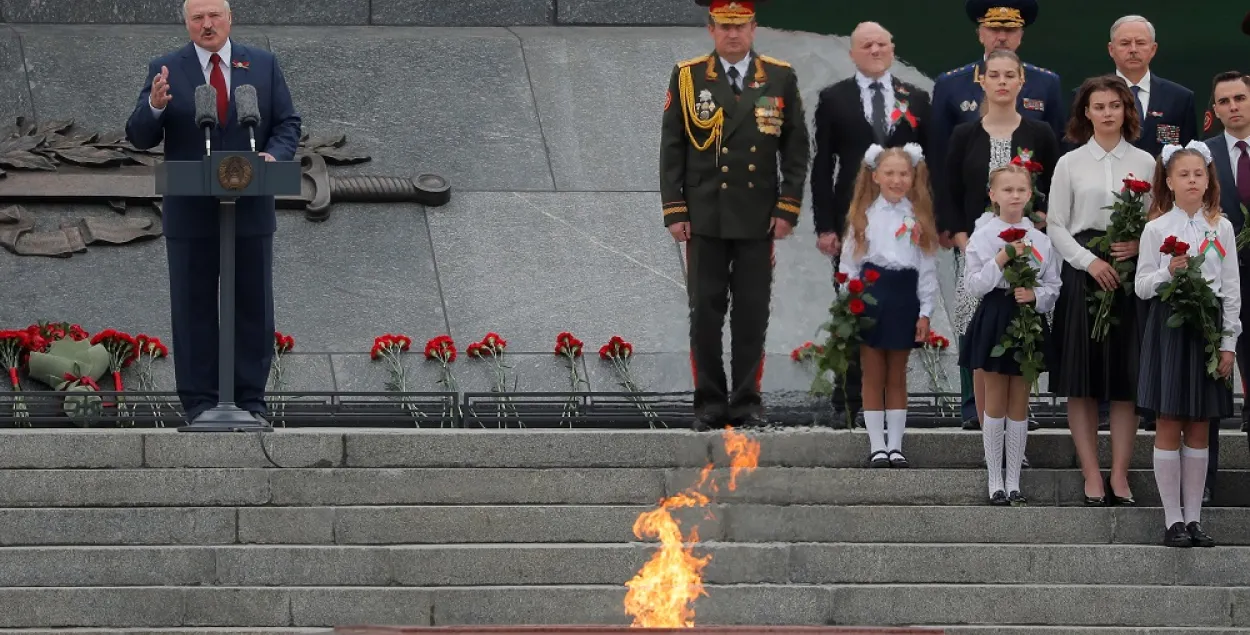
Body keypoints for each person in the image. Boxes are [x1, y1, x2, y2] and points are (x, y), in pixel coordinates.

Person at [124, 0, 301, 425]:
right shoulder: (165, 69)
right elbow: (139, 136)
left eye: (214, 16)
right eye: (198, 18)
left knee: (252, 307)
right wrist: (155, 105)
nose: (207, 25)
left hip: (251, 207)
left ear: (229, 18)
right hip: (191, 211)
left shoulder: (262, 64)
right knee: (193, 308)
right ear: (187, 24)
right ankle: (200, 404)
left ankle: (251, 404)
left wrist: (274, 158)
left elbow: (287, 124)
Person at [661, 0, 809, 429]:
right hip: (705, 216)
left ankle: (746, 400)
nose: (732, 34)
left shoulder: (779, 76)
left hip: (757, 217)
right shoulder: (689, 77)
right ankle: (708, 401)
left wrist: (787, 208)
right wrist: (675, 209)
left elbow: (796, 150)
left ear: (753, 27)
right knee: (704, 313)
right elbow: (672, 148)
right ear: (710, 29)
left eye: (740, 26)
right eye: (724, 26)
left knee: (751, 312)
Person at [929, 0, 1065, 430]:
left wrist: (1041, 219)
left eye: (1011, 75)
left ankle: (1021, 408)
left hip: (1027, 240)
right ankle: (975, 408)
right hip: (974, 241)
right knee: (973, 318)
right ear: (981, 81)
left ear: (1021, 80)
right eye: (995, 75)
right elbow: (945, 181)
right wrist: (954, 233)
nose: (1002, 82)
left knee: (1026, 313)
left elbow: (1056, 173)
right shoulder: (964, 131)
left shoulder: (1038, 129)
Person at [811, 21, 931, 426]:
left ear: (892, 49)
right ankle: (848, 402)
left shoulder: (916, 98)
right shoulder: (833, 98)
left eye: (882, 43)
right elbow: (822, 165)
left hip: (906, 226)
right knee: (853, 309)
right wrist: (825, 226)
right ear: (853, 53)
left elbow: (930, 166)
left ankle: (889, 407)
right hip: (854, 226)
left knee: (899, 314)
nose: (875, 50)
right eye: (867, 45)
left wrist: (932, 221)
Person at [1047, 76, 1157, 506]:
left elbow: (1157, 219)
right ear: (1085, 113)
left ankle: (1121, 475)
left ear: (1127, 111)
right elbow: (1056, 224)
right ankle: (1092, 475)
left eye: (1115, 105)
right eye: (1099, 106)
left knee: (1125, 381)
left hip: (1129, 275)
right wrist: (1087, 261)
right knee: (1084, 381)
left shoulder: (1147, 162)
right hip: (1085, 270)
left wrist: (1140, 243)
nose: (1107, 113)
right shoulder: (1070, 163)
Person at [1135, 140, 1238, 548]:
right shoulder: (1156, 228)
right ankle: (1172, 519)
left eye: (1199, 173)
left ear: (1209, 178)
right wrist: (1167, 271)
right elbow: (1142, 286)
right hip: (1171, 326)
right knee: (1170, 420)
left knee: (1200, 425)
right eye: (1184, 174)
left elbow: (1231, 290)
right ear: (1170, 182)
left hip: (1208, 327)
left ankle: (1195, 518)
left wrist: (1228, 342)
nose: (1192, 180)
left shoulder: (1222, 226)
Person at [959, 162, 1061, 505]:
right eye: (1007, 189)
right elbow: (975, 285)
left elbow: (1053, 285)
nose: (1014, 195)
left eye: (1020, 190)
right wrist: (1002, 258)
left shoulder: (1042, 240)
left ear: (1030, 194)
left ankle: (1014, 480)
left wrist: (1035, 296)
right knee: (994, 400)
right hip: (995, 315)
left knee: (1020, 400)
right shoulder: (984, 237)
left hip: (1026, 319)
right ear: (993, 195)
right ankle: (995, 480)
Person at [836, 144, 939, 467]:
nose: (897, 179)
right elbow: (848, 267)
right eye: (890, 173)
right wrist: (848, 303)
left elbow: (927, 269)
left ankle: (896, 445)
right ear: (876, 176)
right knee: (873, 373)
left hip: (904, 296)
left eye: (903, 173)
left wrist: (925, 312)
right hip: (870, 295)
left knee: (897, 374)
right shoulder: (863, 217)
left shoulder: (918, 217)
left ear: (913, 177)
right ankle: (876, 445)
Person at [1203, 70, 1250, 502]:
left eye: (1240, 98)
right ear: (1214, 110)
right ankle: (1207, 485)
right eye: (1225, 101)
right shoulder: (1205, 155)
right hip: (1221, 289)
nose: (1233, 106)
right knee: (1213, 387)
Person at [1105, 16, 1197, 157]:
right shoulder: (1089, 96)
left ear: (1153, 49)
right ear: (1111, 49)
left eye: (1141, 43)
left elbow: (1190, 155)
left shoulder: (1179, 98)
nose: (1133, 49)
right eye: (1125, 43)